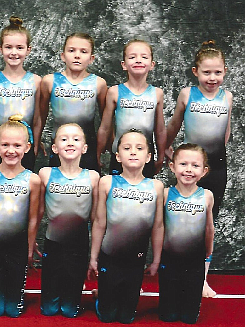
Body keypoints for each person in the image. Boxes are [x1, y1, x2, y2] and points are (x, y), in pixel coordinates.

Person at [165, 40, 232, 298]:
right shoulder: (187, 94)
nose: (212, 77)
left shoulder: (228, 97)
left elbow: (224, 133)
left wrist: (211, 162)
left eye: (217, 72)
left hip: (215, 169)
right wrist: (167, 151)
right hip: (191, 168)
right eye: (206, 72)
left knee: (206, 223)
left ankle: (201, 278)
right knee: (182, 220)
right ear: (195, 72)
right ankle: (177, 274)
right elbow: (172, 126)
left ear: (225, 72)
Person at [88, 129, 164, 324]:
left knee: (126, 318)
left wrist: (155, 260)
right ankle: (101, 296)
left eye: (139, 148)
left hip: (135, 261)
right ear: (118, 156)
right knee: (107, 317)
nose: (133, 152)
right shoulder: (107, 182)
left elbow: (157, 226)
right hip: (109, 258)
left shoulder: (156, 187)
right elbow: (99, 223)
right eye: (127, 148)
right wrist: (94, 257)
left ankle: (114, 295)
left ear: (148, 157)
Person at [0, 114, 41, 317]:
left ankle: (14, 295)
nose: (11, 151)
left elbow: (33, 219)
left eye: (16, 145)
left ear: (27, 148)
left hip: (18, 245)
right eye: (5, 145)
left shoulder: (33, 180)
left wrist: (29, 249)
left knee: (13, 311)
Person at [38, 123, 100, 317]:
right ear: (55, 148)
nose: (70, 143)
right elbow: (38, 212)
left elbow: (96, 219)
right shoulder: (46, 174)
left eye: (76, 139)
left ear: (85, 147)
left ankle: (88, 295)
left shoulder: (92, 177)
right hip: (53, 243)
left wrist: (93, 255)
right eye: (64, 139)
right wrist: (31, 243)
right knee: (48, 310)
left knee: (69, 311)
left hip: (78, 245)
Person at [159, 144, 214, 324]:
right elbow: (158, 226)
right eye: (183, 164)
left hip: (195, 259)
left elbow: (208, 227)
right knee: (168, 317)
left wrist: (209, 251)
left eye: (195, 165)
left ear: (204, 171)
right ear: (172, 166)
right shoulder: (166, 194)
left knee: (189, 318)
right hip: (169, 259)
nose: (189, 170)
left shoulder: (206, 196)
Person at [96, 39, 166, 177]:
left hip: (145, 157)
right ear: (124, 65)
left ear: (152, 65)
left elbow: (160, 130)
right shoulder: (115, 92)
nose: (138, 60)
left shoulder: (157, 93)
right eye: (132, 57)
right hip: (120, 156)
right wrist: (97, 153)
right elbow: (104, 127)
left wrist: (161, 156)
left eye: (144, 57)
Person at [39, 33, 107, 172]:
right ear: (63, 55)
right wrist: (36, 141)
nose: (77, 55)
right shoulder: (50, 81)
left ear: (91, 58)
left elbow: (106, 123)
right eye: (71, 51)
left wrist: (100, 152)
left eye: (83, 52)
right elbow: (40, 117)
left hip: (88, 148)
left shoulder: (98, 84)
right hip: (59, 147)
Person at [0, 16, 42, 171]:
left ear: (28, 50)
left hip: (24, 147)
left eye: (20, 48)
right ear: (0, 48)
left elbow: (37, 121)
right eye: (9, 47)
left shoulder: (36, 81)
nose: (14, 52)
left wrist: (35, 145)